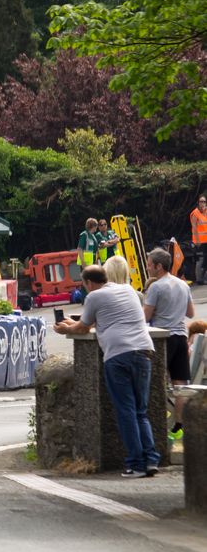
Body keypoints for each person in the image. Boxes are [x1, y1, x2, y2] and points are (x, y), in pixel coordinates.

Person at [55, 264, 160, 478]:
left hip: (118, 355)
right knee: (141, 411)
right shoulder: (128, 290)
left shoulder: (94, 296)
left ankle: (136, 465)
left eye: (84, 286)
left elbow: (83, 327)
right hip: (144, 350)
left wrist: (66, 328)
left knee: (126, 411)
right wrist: (80, 324)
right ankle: (150, 460)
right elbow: (112, 319)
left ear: (89, 283)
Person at [144, 248, 194, 439]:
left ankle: (159, 418)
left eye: (149, 264)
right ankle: (179, 426)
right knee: (180, 384)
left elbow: (146, 317)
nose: (148, 268)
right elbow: (190, 313)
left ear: (158, 266)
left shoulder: (156, 287)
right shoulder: (183, 285)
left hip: (163, 337)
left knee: (156, 381)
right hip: (181, 337)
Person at [192, 195, 207, 285]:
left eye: (204, 201)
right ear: (198, 203)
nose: (203, 203)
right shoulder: (195, 213)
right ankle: (199, 279)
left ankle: (203, 278)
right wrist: (197, 241)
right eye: (201, 201)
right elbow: (194, 227)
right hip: (199, 242)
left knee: (205, 259)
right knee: (200, 259)